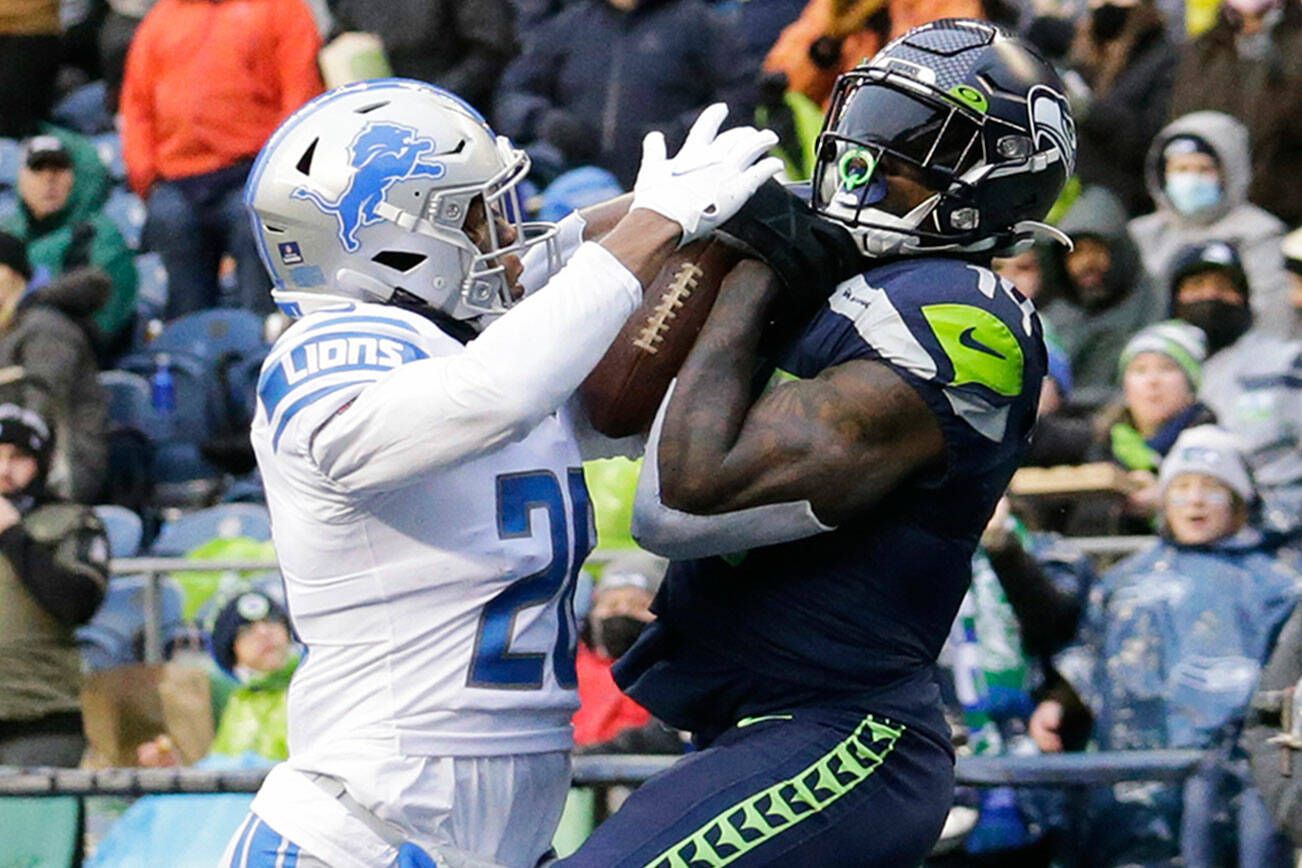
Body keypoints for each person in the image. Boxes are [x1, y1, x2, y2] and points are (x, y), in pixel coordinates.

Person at [223, 79, 781, 868]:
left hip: (500, 842)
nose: (507, 237)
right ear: (394, 241)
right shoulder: (332, 351)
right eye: (478, 216)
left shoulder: (476, 355)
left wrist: (683, 216)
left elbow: (583, 377)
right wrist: (657, 223)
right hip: (360, 842)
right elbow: (492, 393)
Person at [560, 19, 1070, 865]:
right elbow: (556, 304)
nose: (869, 161)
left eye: (914, 146)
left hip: (846, 734)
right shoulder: (848, 258)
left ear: (1000, 181)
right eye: (870, 127)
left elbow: (685, 499)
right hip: (752, 726)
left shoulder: (960, 312)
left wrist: (758, 271)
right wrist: (660, 214)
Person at [1044, 426, 1301, 867]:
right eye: (1182, 488)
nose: (1196, 501)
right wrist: (1057, 705)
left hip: (1237, 791)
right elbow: (1090, 663)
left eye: (1211, 489)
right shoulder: (1121, 581)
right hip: (1129, 790)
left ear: (1239, 501)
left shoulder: (1279, 587)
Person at [119, 0, 324, 319]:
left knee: (261, 307)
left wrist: (282, 177)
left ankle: (260, 357)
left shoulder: (282, 9)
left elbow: (300, 94)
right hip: (177, 183)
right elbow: (137, 107)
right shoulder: (162, 19)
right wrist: (146, 177)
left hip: (253, 175)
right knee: (184, 314)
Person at [493, 0, 760, 187]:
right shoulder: (570, 26)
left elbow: (742, 95)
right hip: (578, 187)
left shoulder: (699, 23)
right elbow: (512, 94)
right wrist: (544, 121)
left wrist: (684, 133)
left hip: (677, 186)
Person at [0, 402, 110, 766]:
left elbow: (77, 603)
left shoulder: (71, 521)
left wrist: (13, 535)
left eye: (17, 457)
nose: (3, 469)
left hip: (43, 719)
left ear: (41, 462)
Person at [1128, 112, 1290, 333]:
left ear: (1228, 172)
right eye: (1181, 169)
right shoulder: (1144, 233)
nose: (1191, 180)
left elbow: (1272, 315)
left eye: (1204, 169)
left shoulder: (1260, 233)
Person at [1187, 236, 1302, 531]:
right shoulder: (1149, 364)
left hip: (1277, 520)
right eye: (1197, 286)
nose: (1211, 296)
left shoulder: (1284, 361)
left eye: (1224, 288)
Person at [2, 135, 140, 362]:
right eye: (38, 170)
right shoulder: (7, 234)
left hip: (70, 355)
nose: (49, 180)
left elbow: (104, 323)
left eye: (59, 170)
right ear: (21, 180)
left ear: (73, 179)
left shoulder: (100, 235)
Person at [1168, 0, 1302, 225]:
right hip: (1210, 213)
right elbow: (1181, 126)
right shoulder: (1204, 48)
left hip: (1285, 214)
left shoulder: (1293, 47)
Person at [0, 231, 108, 503]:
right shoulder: (10, 328)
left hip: (61, 466)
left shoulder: (46, 326)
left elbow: (37, 410)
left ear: (11, 275)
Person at [1039, 185, 1161, 408]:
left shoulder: (1155, 302)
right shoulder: (1055, 315)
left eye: (1096, 250)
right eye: (1076, 253)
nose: (1085, 264)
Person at [1068, 0, 1177, 214]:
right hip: (1081, 195)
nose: (1105, 4)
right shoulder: (1083, 53)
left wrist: (1091, 112)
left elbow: (1151, 135)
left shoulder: (1164, 57)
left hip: (1132, 200)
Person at [328, 0, 516, 115]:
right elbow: (339, 42)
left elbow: (490, 49)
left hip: (467, 113)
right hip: (387, 117)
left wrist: (430, 100)